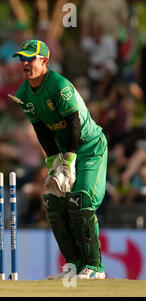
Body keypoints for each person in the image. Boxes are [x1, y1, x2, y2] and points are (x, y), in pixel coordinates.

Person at [11, 40, 107, 279]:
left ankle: (94, 268)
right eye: (22, 58)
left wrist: (70, 160)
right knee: (53, 202)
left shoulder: (59, 85)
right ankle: (74, 267)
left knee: (81, 201)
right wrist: (53, 162)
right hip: (64, 151)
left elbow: (74, 123)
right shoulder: (23, 93)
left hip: (89, 147)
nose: (24, 62)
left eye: (30, 58)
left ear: (44, 61)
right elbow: (42, 130)